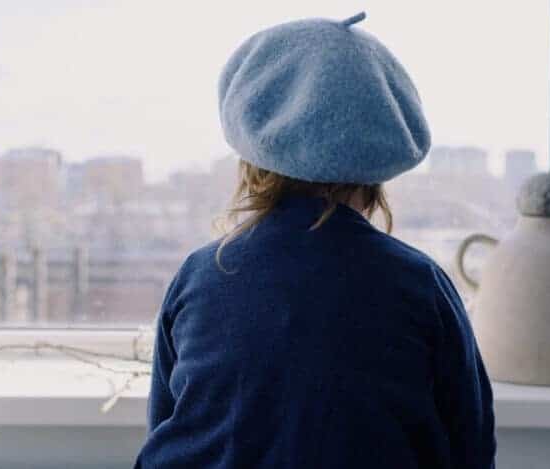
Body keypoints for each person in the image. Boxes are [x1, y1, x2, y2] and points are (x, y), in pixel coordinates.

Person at [135, 12, 495, 469]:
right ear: (379, 167)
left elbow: (165, 421)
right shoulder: (420, 284)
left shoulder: (200, 276)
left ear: (252, 156)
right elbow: (471, 447)